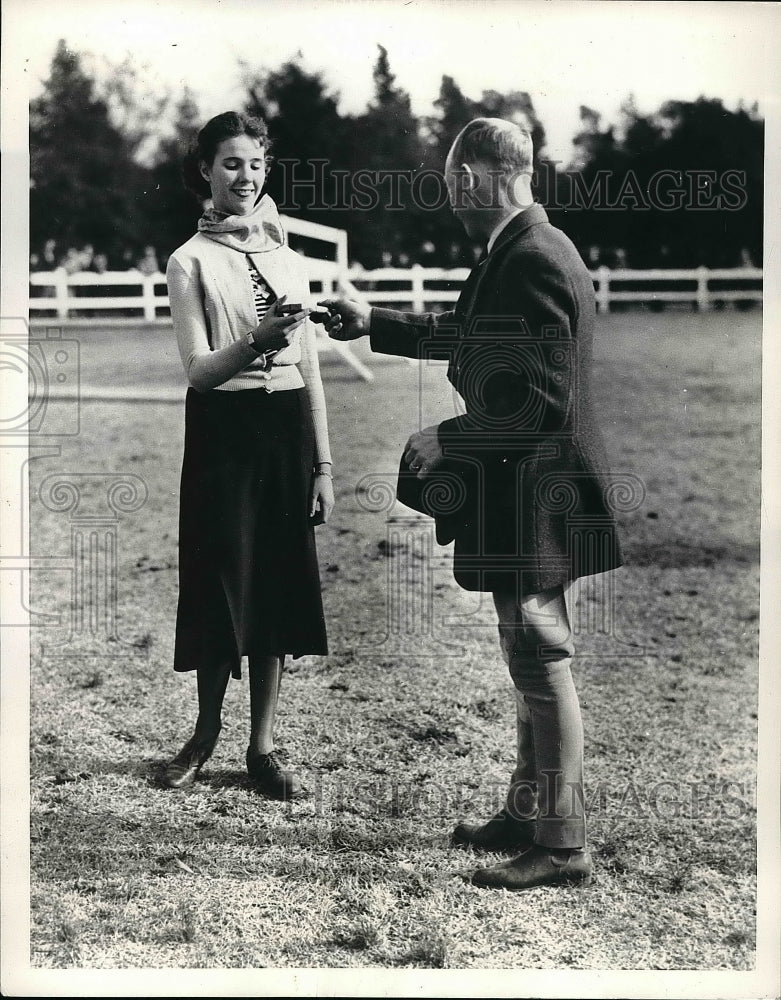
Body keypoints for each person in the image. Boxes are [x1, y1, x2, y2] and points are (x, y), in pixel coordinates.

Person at [322, 118, 623, 891]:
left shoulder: (532, 258)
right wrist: (375, 324)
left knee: (538, 650)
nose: (452, 197)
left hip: (535, 484)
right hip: (522, 483)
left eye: (457, 181)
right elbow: (471, 337)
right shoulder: (517, 253)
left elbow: (542, 400)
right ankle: (527, 813)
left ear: (483, 177)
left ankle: (560, 844)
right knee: (526, 649)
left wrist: (450, 440)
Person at [162, 111, 334, 798]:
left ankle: (261, 748)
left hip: (285, 430)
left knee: (277, 582)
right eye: (231, 163)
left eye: (256, 164)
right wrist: (258, 341)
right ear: (205, 169)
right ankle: (203, 736)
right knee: (219, 581)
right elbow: (200, 371)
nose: (246, 176)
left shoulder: (288, 255)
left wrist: (324, 467)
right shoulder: (188, 261)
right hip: (222, 432)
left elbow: (311, 369)